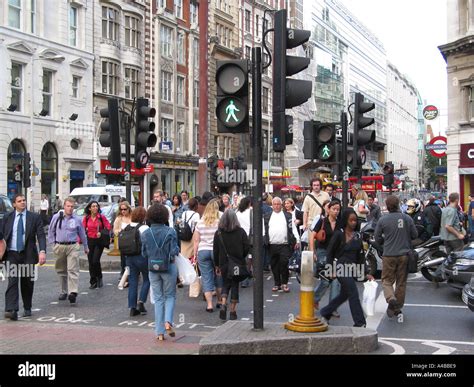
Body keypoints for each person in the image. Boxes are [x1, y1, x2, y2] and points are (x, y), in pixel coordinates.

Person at [320, 209, 373, 327]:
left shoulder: (358, 236)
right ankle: (360, 322)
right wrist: (329, 270)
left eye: (355, 220)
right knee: (353, 292)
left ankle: (325, 312)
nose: (354, 223)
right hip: (341, 267)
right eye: (351, 220)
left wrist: (365, 273)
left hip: (353, 268)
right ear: (345, 220)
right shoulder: (339, 234)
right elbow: (330, 252)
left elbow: (360, 257)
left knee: (345, 294)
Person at [2, 194, 46, 320]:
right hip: (11, 254)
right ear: (14, 204)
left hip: (28, 254)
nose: (22, 202)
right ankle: (12, 309)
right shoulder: (7, 217)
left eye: (24, 200)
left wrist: (42, 251)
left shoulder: (34, 217)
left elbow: (41, 235)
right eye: (19, 201)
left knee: (27, 283)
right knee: (12, 281)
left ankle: (27, 307)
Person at [374, 195, 417, 318]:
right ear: (398, 204)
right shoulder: (407, 218)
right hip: (404, 254)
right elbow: (415, 234)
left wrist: (384, 241)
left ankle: (390, 298)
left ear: (387, 206)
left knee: (387, 280)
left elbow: (377, 238)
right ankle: (397, 307)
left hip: (389, 254)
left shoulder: (383, 220)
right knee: (401, 282)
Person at [141, 204, 179, 341]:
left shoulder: (145, 233)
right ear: (165, 216)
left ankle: (159, 332)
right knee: (170, 296)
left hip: (152, 267)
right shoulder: (170, 232)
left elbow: (144, 253)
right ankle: (168, 321)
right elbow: (175, 251)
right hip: (168, 266)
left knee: (158, 298)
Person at [48, 197, 88, 305]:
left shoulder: (77, 219)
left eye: (72, 206)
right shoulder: (57, 217)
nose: (70, 208)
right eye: (68, 206)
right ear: (64, 206)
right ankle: (63, 291)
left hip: (73, 246)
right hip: (59, 245)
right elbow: (51, 231)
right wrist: (53, 245)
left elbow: (82, 234)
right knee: (61, 270)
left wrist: (86, 246)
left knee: (72, 269)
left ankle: (73, 292)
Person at [213, 210, 250, 321]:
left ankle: (223, 303)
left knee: (225, 283)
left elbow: (216, 250)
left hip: (224, 263)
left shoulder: (218, 233)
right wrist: (241, 256)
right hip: (237, 263)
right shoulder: (241, 232)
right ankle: (233, 311)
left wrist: (217, 265)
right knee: (235, 284)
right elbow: (246, 247)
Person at [310, 200, 342, 314]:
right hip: (323, 252)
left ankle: (332, 308)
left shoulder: (340, 223)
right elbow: (312, 236)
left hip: (335, 254)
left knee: (336, 280)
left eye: (338, 209)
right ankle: (313, 299)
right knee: (325, 280)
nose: (336, 211)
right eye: (334, 209)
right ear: (328, 209)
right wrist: (312, 252)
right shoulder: (322, 221)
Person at [264, 197, 300, 293]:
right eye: (274, 204)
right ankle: (277, 284)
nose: (276, 206)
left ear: (281, 205)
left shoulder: (288, 215)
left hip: (284, 244)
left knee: (284, 264)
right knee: (274, 265)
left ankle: (284, 283)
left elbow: (293, 228)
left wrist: (297, 240)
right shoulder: (267, 216)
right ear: (272, 205)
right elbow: (264, 230)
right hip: (272, 244)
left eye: (278, 204)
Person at [194, 198, 223, 312]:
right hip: (217, 252)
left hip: (203, 251)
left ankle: (209, 304)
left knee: (206, 278)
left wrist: (195, 254)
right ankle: (220, 301)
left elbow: (196, 240)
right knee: (219, 276)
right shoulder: (220, 221)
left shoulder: (201, 222)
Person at [125, 207, 150, 317]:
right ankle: (141, 301)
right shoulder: (144, 227)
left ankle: (132, 307)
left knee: (133, 281)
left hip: (129, 257)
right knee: (147, 278)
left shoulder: (127, 227)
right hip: (141, 256)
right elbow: (147, 243)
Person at [82, 201, 111, 289]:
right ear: (90, 208)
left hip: (99, 241)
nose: (95, 208)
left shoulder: (101, 217)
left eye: (96, 206)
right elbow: (82, 230)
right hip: (89, 241)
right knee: (91, 262)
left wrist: (101, 233)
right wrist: (79, 241)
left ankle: (99, 276)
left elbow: (108, 227)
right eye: (93, 206)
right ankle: (93, 281)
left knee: (95, 260)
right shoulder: (86, 218)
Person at [236, 197, 253, 288]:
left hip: (239, 237)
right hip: (250, 237)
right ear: (249, 203)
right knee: (250, 258)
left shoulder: (238, 213)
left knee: (242, 258)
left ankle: (242, 278)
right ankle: (246, 277)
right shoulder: (251, 211)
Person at [114, 201, 133, 278]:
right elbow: (115, 230)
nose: (123, 211)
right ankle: (123, 274)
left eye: (125, 209)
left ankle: (133, 274)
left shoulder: (133, 217)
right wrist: (120, 231)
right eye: (121, 209)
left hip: (132, 242)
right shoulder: (119, 218)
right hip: (123, 242)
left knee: (132, 259)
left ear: (129, 209)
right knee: (124, 260)